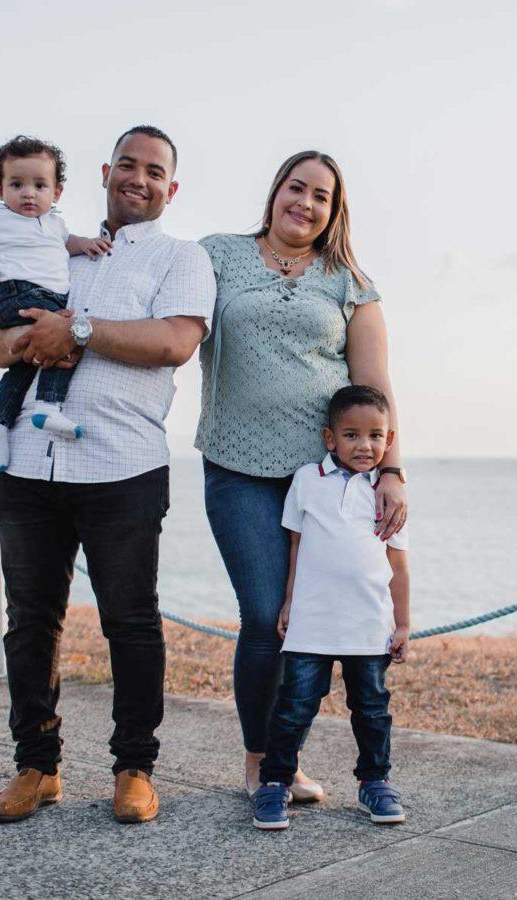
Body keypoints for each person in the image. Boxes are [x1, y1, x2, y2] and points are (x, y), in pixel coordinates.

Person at [0, 125, 215, 825]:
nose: (139, 179)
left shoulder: (182, 259)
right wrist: (27, 339)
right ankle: (36, 768)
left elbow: (173, 342)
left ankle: (135, 769)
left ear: (171, 188)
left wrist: (76, 330)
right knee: (30, 626)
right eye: (128, 166)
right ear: (107, 172)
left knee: (131, 623)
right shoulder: (52, 245)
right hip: (26, 464)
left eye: (155, 171)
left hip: (124, 468)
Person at [196, 151, 409, 800]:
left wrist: (392, 468)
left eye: (322, 196)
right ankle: (261, 760)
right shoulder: (217, 257)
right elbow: (169, 315)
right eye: (297, 188)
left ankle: (287, 762)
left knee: (308, 623)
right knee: (265, 616)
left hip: (325, 482)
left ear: (333, 211)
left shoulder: (349, 282)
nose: (306, 203)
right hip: (236, 468)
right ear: (276, 192)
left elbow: (373, 386)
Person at [251, 385, 411, 830]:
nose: (366, 446)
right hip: (312, 622)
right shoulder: (307, 481)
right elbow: (296, 545)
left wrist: (403, 624)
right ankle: (274, 783)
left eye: (376, 436)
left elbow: (397, 562)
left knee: (373, 710)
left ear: (389, 440)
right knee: (294, 706)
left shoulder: (388, 493)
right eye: (353, 435)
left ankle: (374, 783)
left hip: (368, 624)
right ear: (330, 438)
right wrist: (288, 601)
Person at [0, 135, 111, 469]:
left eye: (40, 185)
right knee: (62, 339)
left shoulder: (54, 223)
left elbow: (68, 242)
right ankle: (48, 407)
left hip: (43, 297)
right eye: (17, 184)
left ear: (56, 193)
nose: (28, 193)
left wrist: (88, 245)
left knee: (27, 361)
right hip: (18, 293)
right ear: (0, 190)